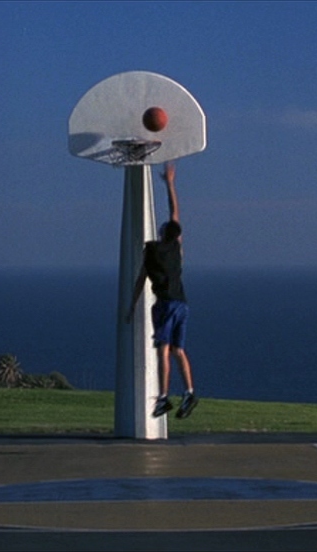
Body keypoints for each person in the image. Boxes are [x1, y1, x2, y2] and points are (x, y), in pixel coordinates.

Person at [126, 161, 198, 419]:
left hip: (165, 305)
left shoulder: (152, 252)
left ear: (161, 233)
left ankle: (164, 397)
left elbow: (140, 281)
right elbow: (175, 213)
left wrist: (132, 306)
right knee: (179, 350)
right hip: (182, 305)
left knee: (162, 350)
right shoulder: (176, 249)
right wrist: (170, 183)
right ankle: (189, 391)